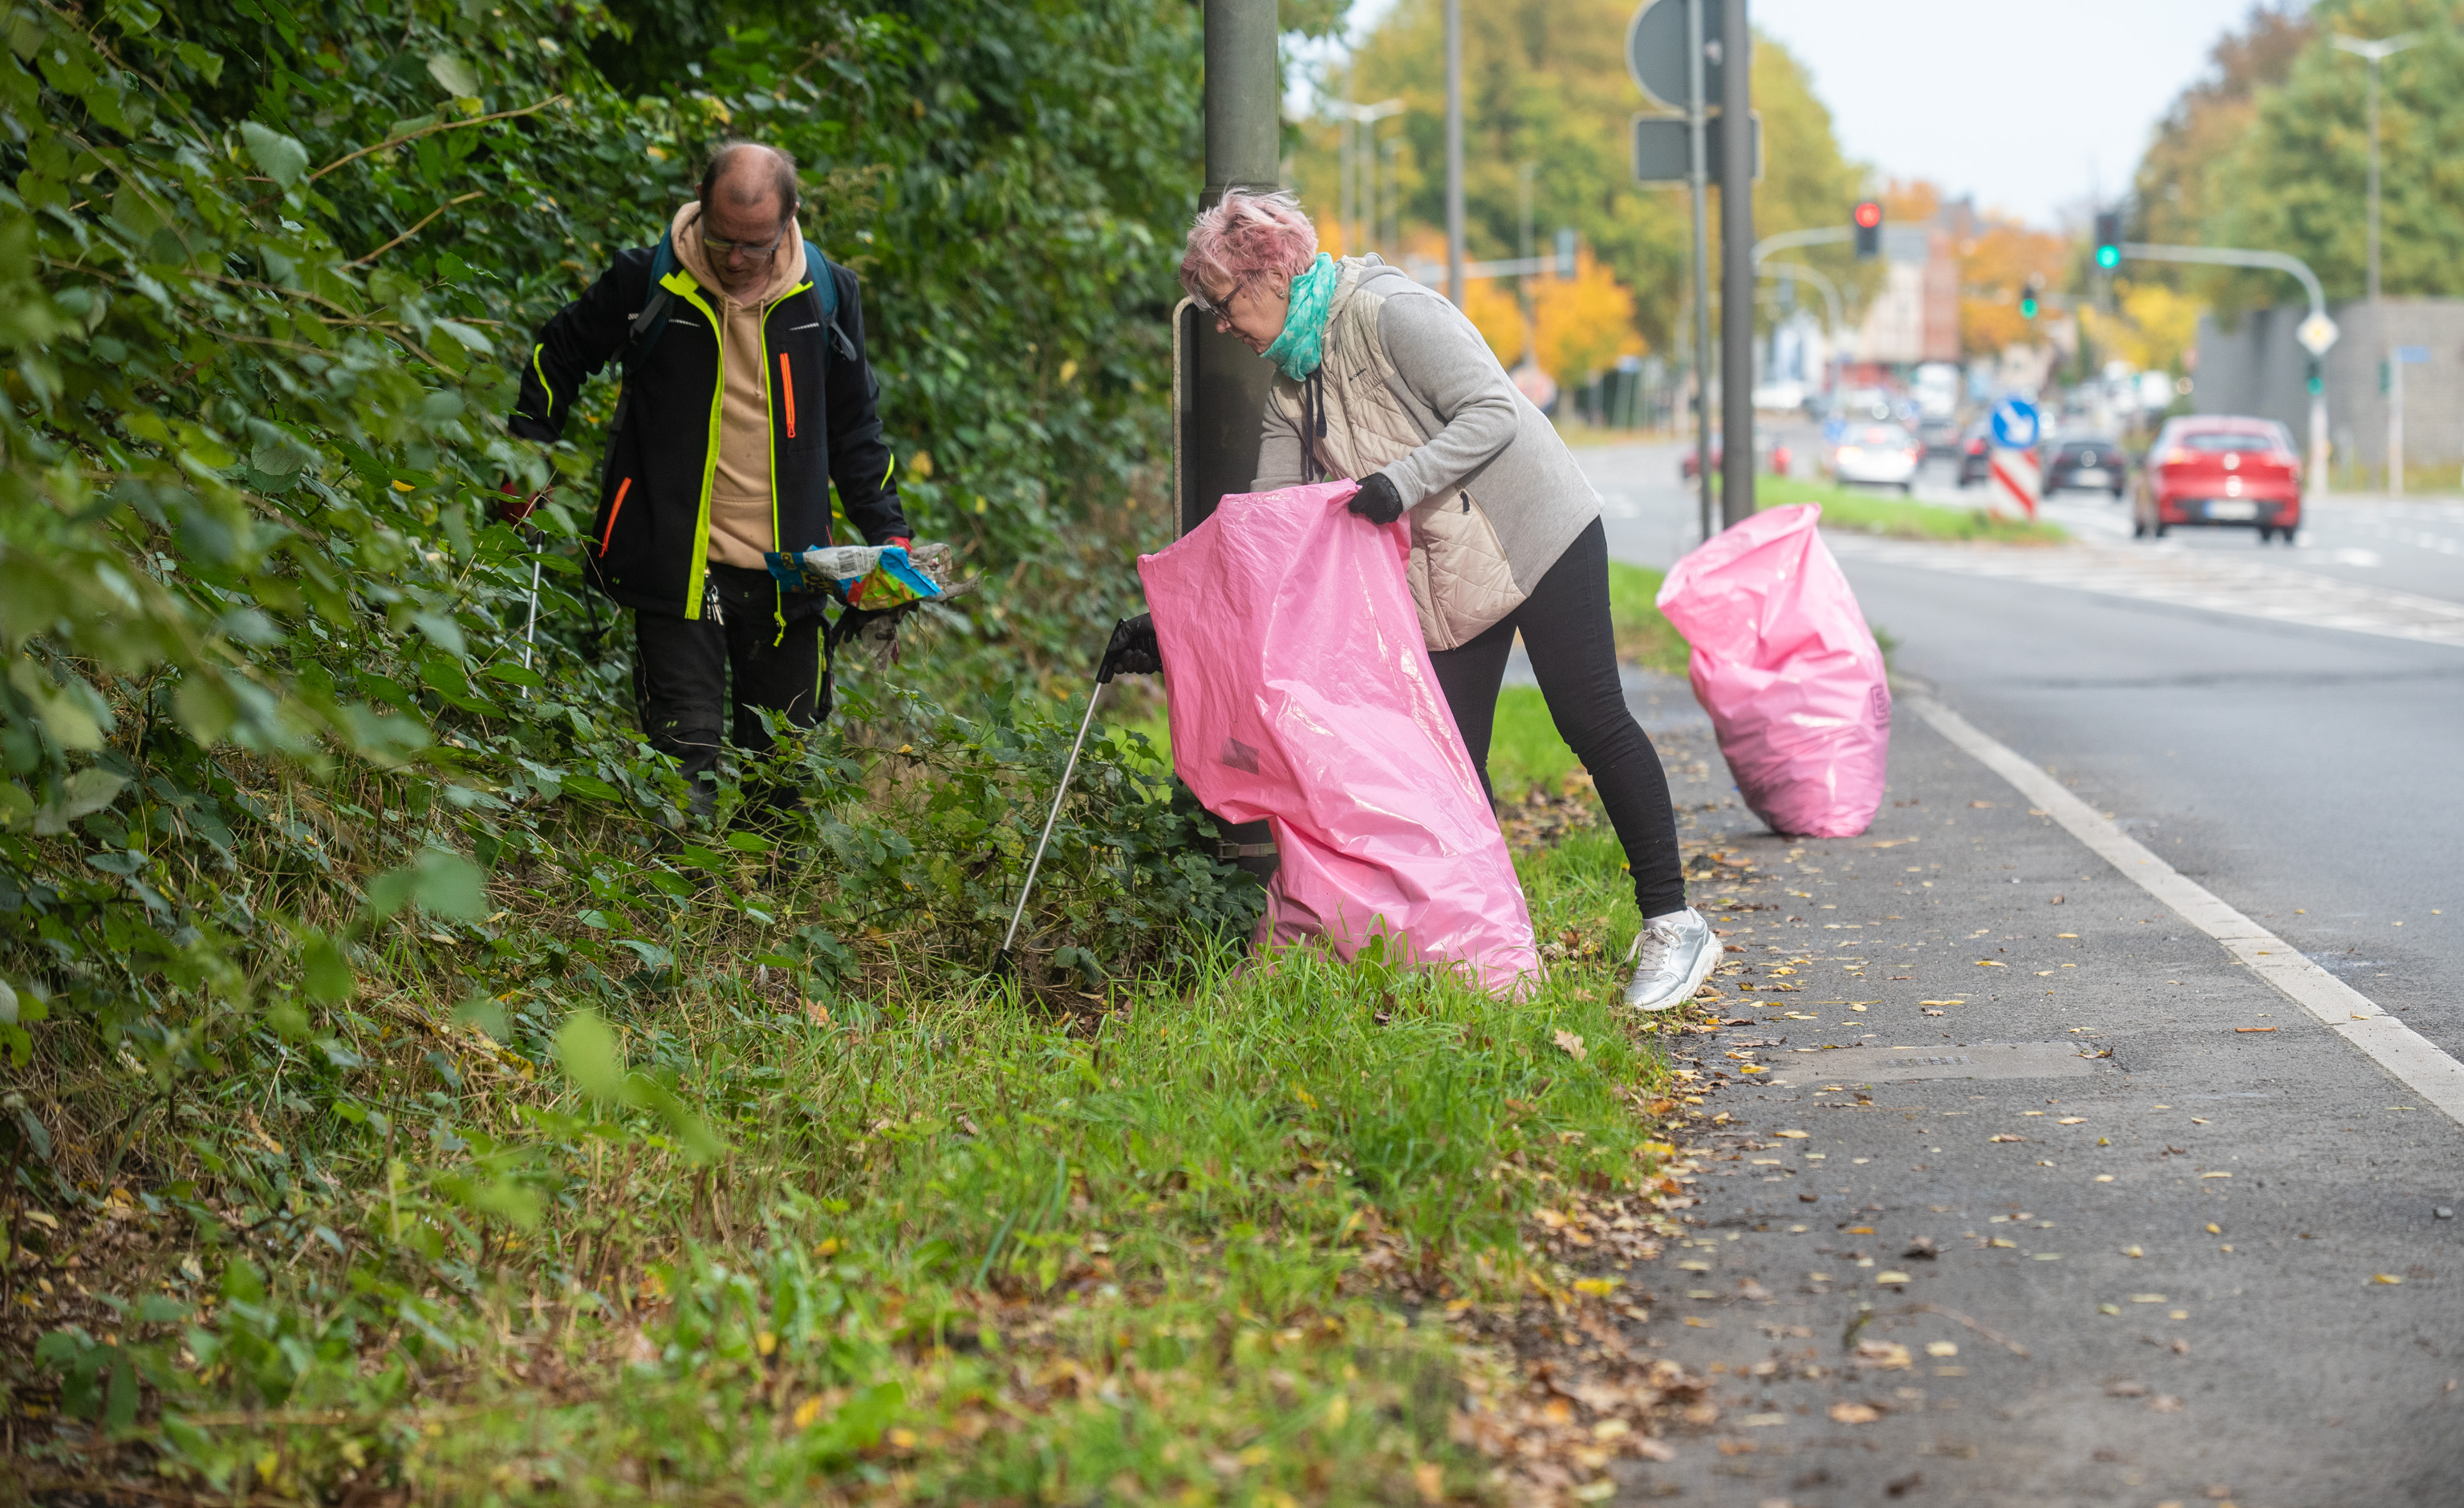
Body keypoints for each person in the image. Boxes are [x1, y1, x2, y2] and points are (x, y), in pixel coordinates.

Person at [1125, 189, 1716, 1011]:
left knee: (1589, 716)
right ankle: (1462, 956)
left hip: (1534, 533)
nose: (1222, 325)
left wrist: (1397, 485)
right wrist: (1165, 625)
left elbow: (1494, 411)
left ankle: (1672, 923)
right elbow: (1260, 534)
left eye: (1222, 303)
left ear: (1268, 271)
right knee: (1439, 773)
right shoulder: (1293, 389)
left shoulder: (1387, 310)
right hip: (1445, 582)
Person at [509, 140, 908, 818]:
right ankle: (677, 902)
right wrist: (527, 459)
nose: (734, 259)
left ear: (790, 220)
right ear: (701, 208)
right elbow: (559, 353)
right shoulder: (649, 281)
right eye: (723, 239)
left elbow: (854, 428)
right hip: (673, 560)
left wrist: (888, 531)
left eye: (755, 244)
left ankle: (765, 915)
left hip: (792, 573)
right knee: (680, 762)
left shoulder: (828, 295)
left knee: (782, 777)